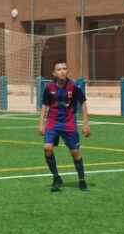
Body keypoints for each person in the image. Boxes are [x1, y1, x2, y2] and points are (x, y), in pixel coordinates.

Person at [37, 60, 91, 192]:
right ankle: (56, 177)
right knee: (47, 148)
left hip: (68, 123)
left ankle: (82, 180)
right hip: (53, 122)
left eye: (64, 68)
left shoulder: (74, 86)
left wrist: (85, 123)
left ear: (67, 71)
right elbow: (45, 105)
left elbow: (83, 104)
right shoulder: (49, 88)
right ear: (54, 73)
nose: (62, 71)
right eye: (59, 69)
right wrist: (41, 123)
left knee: (75, 152)